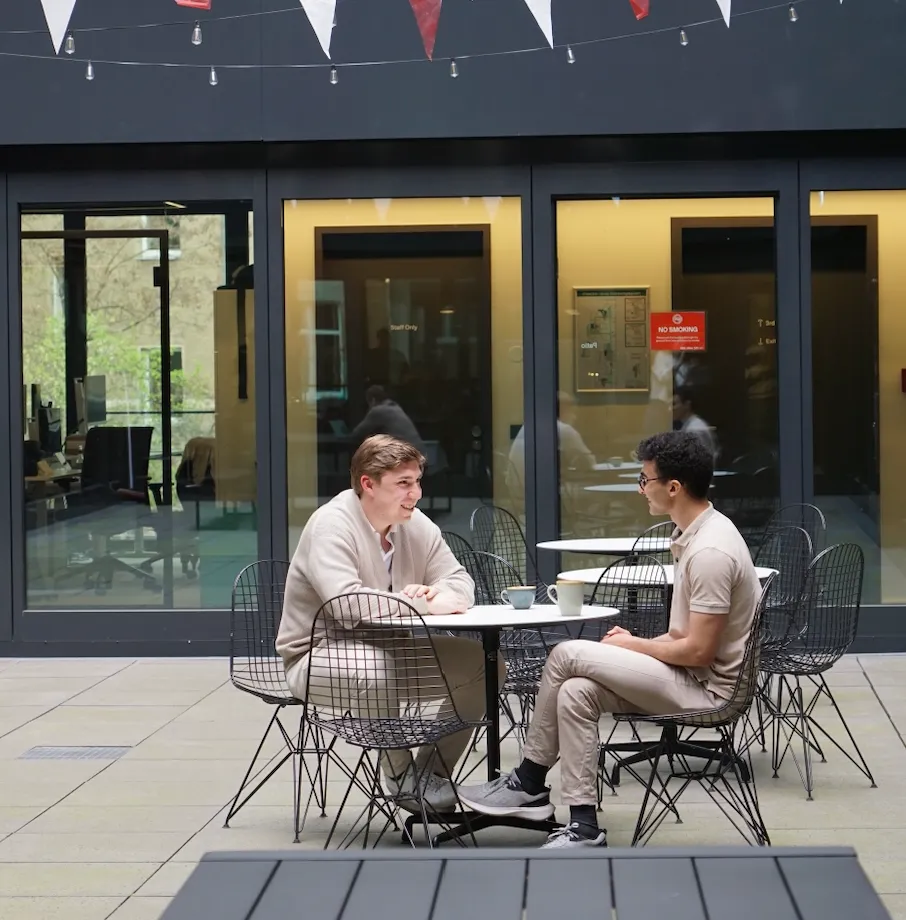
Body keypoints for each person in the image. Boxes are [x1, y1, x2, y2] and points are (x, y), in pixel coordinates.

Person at [457, 430, 761, 848]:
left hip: (708, 690)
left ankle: (528, 781)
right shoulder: (696, 534)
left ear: (673, 488)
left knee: (566, 654)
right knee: (578, 691)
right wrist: (639, 644)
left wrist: (635, 645)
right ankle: (583, 825)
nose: (640, 490)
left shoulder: (711, 551)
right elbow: (689, 642)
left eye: (644, 480)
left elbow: (698, 651)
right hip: (689, 676)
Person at [276, 434, 496, 813]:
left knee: (485, 664)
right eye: (404, 484)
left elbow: (460, 583)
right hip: (318, 657)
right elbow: (347, 606)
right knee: (374, 669)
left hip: (392, 651)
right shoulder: (331, 525)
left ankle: (431, 773)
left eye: (417, 482)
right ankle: (398, 773)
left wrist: (442, 598)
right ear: (368, 484)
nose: (416, 493)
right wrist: (420, 603)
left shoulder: (414, 524)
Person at [507, 392, 595, 493]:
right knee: (596, 493)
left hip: (518, 494)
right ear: (564, 410)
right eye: (572, 411)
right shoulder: (563, 429)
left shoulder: (528, 426)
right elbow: (589, 464)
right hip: (545, 495)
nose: (574, 417)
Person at [350, 385, 426, 456]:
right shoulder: (395, 407)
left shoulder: (378, 411)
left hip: (407, 455)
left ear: (373, 400)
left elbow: (357, 433)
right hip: (419, 452)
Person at [672, 386, 719, 460]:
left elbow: (696, 461)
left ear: (687, 405)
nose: (670, 408)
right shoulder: (689, 426)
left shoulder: (695, 429)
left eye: (674, 404)